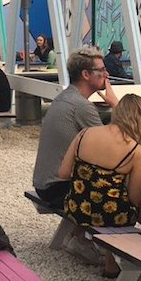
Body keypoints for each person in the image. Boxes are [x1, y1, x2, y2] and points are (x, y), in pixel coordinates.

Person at [60, 94, 141, 277]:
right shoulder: (136, 150)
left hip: (76, 206)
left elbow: (63, 173)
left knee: (108, 200)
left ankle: (108, 257)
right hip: (110, 214)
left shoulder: (84, 133)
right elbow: (134, 197)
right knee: (125, 205)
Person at [33, 47, 119, 210]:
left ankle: (80, 235)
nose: (106, 75)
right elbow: (112, 146)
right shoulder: (81, 106)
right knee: (125, 189)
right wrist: (116, 104)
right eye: (101, 70)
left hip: (45, 184)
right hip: (60, 187)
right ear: (86, 75)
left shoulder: (65, 97)